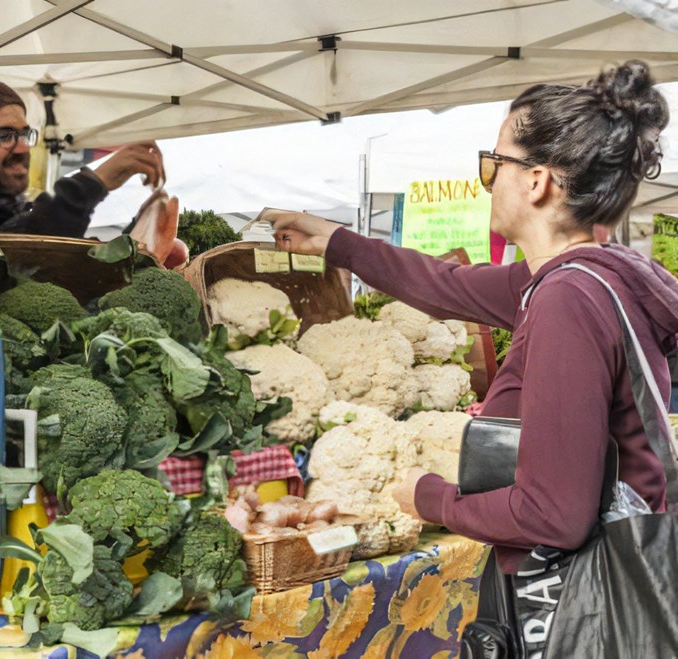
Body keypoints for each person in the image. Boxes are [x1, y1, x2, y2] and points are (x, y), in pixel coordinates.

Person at [271, 61, 678, 580]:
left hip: (581, 596)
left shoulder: (569, 298)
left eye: (493, 164)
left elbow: (554, 516)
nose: (486, 180)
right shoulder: (583, 278)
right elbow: (447, 286)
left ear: (537, 181)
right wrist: (336, 242)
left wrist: (430, 498)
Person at [0, 75, 164, 236]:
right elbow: (14, 261)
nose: (23, 148)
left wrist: (140, 231)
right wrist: (93, 183)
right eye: (5, 135)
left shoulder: (22, 213)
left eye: (25, 134)